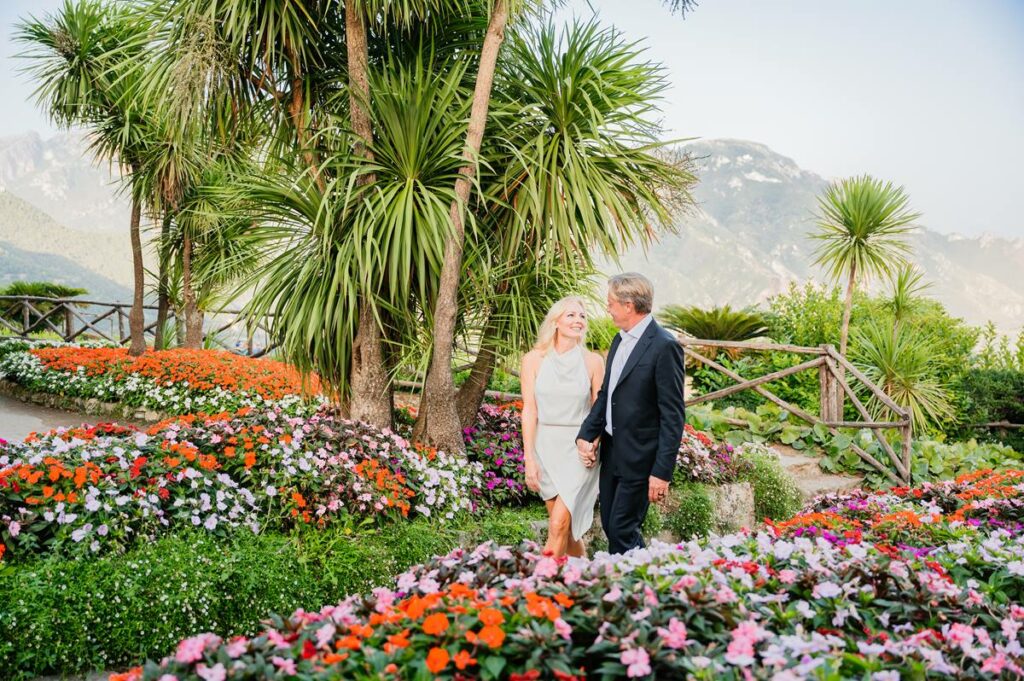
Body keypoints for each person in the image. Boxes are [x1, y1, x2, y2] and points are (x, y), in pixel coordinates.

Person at [575, 273, 686, 555]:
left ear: (628, 305)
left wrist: (661, 473)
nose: (607, 308)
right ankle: (643, 580)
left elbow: (673, 416)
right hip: (613, 454)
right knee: (614, 528)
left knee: (623, 529)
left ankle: (634, 590)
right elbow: (606, 396)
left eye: (610, 302)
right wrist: (587, 434)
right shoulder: (618, 340)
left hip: (641, 458)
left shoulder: (664, 346)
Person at [521, 296, 605, 557]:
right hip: (545, 448)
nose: (578, 320)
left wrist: (593, 444)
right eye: (570, 315)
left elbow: (599, 410)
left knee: (557, 525)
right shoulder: (533, 359)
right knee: (565, 531)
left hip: (579, 449)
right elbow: (530, 409)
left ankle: (539, 587)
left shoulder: (593, 361)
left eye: (582, 316)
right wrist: (529, 459)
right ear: (555, 321)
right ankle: (584, 580)